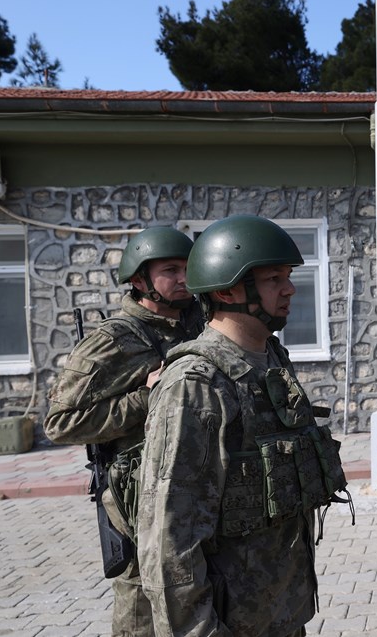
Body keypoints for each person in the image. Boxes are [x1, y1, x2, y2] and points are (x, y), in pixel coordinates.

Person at [136, 215, 327, 636]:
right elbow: (168, 543)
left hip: (281, 611)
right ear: (227, 289)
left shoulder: (271, 361)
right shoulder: (196, 384)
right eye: (274, 278)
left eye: (288, 276)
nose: (290, 288)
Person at [44, 226, 203, 637]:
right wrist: (145, 398)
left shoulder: (199, 325)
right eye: (171, 269)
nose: (184, 277)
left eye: (189, 267)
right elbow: (60, 423)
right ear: (139, 280)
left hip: (196, 488)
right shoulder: (113, 340)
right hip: (136, 495)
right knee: (141, 608)